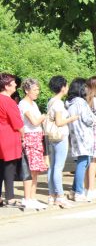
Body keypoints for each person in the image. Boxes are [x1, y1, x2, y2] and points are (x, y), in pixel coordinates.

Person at [66, 78, 96, 202]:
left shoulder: (70, 102)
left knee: (81, 163)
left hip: (75, 135)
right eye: (85, 87)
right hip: (84, 136)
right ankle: (78, 192)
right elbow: (88, 119)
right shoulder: (81, 102)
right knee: (83, 163)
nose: (87, 89)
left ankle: (73, 190)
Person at [48, 76, 79, 206]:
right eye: (65, 85)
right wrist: (72, 118)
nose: (67, 88)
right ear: (62, 87)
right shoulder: (59, 103)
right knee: (58, 167)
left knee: (53, 166)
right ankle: (60, 195)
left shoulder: (51, 101)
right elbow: (59, 122)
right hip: (60, 137)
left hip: (51, 136)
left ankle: (52, 195)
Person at [18, 79, 48, 210]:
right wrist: (43, 117)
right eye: (35, 90)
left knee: (35, 170)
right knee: (29, 169)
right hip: (29, 137)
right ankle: (27, 197)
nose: (37, 92)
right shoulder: (23, 104)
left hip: (37, 137)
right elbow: (35, 122)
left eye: (38, 90)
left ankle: (32, 197)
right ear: (26, 90)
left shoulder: (34, 104)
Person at [0, 73, 23, 208]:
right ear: (7, 85)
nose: (15, 85)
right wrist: (24, 136)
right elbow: (17, 124)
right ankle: (10, 198)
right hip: (9, 138)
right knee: (9, 169)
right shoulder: (9, 101)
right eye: (13, 83)